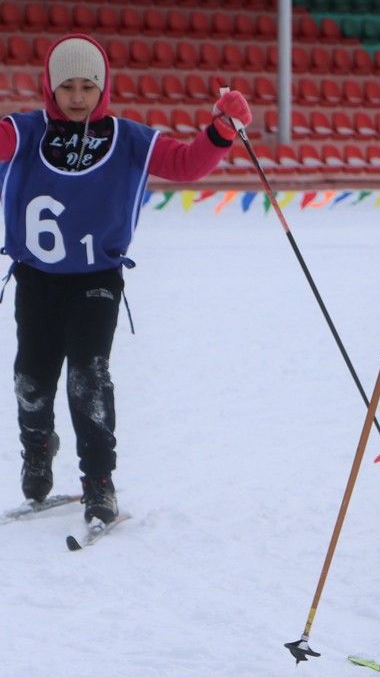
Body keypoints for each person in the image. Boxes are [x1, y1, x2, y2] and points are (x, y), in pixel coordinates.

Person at [2, 34, 251, 530]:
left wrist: (222, 130)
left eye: (87, 86)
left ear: (103, 88)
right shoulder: (24, 131)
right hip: (37, 278)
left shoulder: (129, 138)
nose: (77, 96)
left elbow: (185, 164)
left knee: (87, 377)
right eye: (67, 86)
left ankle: (99, 480)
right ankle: (37, 445)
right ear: (51, 88)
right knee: (32, 376)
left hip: (97, 279)